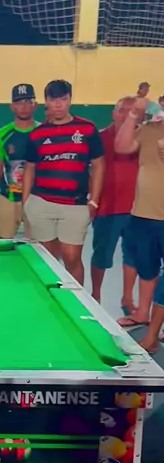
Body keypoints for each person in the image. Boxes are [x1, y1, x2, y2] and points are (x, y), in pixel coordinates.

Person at [22, 79, 105, 285]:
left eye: (63, 99)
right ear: (46, 102)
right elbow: (30, 168)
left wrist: (94, 201)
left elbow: (99, 165)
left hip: (75, 205)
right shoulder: (37, 134)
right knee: (48, 259)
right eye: (53, 99)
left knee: (71, 257)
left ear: (70, 100)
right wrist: (26, 202)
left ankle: (76, 299)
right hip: (41, 203)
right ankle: (50, 296)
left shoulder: (87, 129)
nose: (58, 104)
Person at [115, 97, 164, 327]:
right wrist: (133, 114)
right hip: (144, 213)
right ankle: (142, 313)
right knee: (147, 267)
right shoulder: (149, 129)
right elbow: (121, 147)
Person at [90, 97, 139, 311]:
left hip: (137, 208)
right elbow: (88, 170)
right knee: (101, 255)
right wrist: (93, 199)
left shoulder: (142, 139)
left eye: (131, 111)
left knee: (133, 256)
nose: (126, 115)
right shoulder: (99, 138)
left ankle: (127, 299)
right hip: (107, 207)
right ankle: (95, 295)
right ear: (114, 113)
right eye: (122, 110)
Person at [0, 84, 38, 239]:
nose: (23, 106)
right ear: (12, 107)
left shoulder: (43, 133)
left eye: (28, 101)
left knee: (38, 246)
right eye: (19, 102)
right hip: (8, 198)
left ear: (35, 105)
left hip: (37, 199)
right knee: (3, 244)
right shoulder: (2, 135)